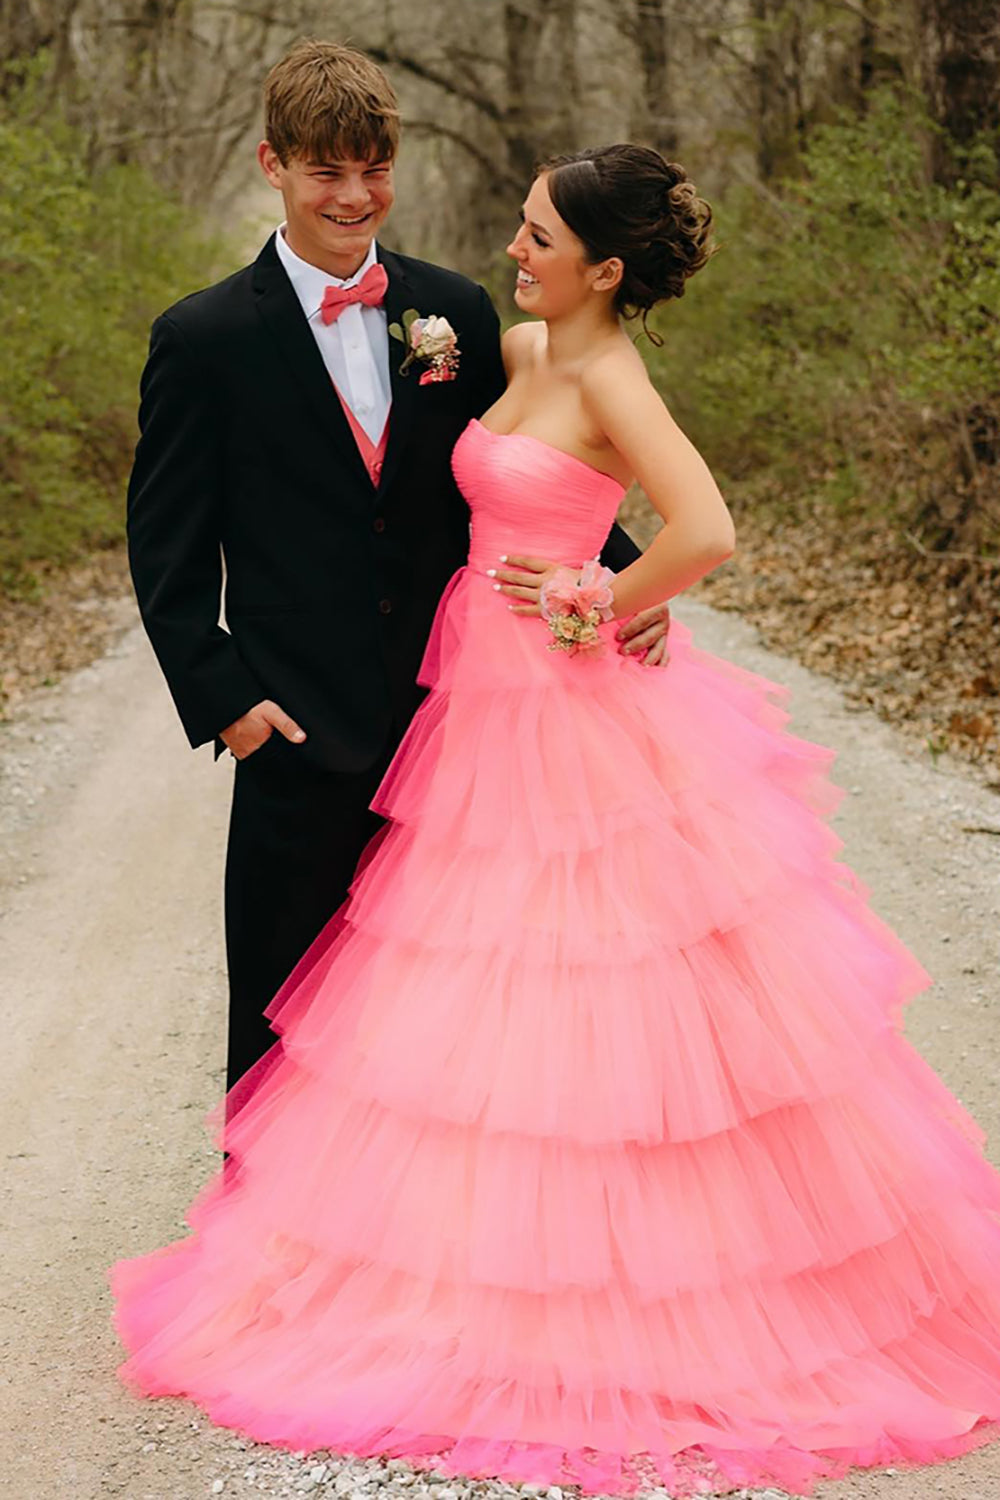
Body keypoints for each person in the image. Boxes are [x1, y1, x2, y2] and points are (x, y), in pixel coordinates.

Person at [109, 145, 1000, 1499]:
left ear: (605, 268)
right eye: (520, 228)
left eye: (536, 234)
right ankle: (442, 1251)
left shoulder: (607, 376)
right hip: (470, 697)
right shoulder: (500, 338)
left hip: (565, 704)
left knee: (591, 974)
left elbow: (705, 526)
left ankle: (616, 1284)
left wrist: (608, 603)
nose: (512, 249)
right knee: (461, 972)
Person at [124, 39, 670, 1114]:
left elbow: (511, 476)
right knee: (280, 1016)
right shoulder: (203, 340)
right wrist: (226, 700)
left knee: (443, 1016)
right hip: (292, 731)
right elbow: (167, 548)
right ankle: (263, 1252)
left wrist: (619, 588)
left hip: (454, 729)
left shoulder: (455, 312)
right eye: (327, 170)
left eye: (374, 167)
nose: (355, 194)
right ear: (271, 163)